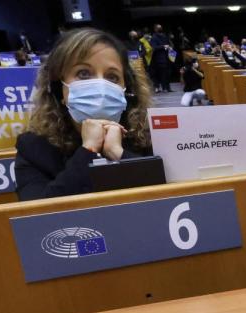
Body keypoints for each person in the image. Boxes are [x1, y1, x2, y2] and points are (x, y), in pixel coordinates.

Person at [14, 28, 152, 202]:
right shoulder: (34, 148)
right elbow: (39, 215)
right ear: (59, 88)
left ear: (127, 89)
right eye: (84, 74)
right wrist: (88, 150)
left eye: (112, 77)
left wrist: (119, 154)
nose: (100, 85)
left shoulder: (148, 137)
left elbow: (170, 199)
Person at [150, 24, 172, 92]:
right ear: (155, 29)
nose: (160, 29)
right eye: (158, 28)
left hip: (167, 57)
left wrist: (169, 47)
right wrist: (163, 46)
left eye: (160, 27)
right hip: (159, 58)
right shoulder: (154, 37)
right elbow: (154, 47)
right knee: (161, 73)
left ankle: (167, 87)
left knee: (167, 73)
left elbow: (168, 44)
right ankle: (163, 87)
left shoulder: (164, 36)